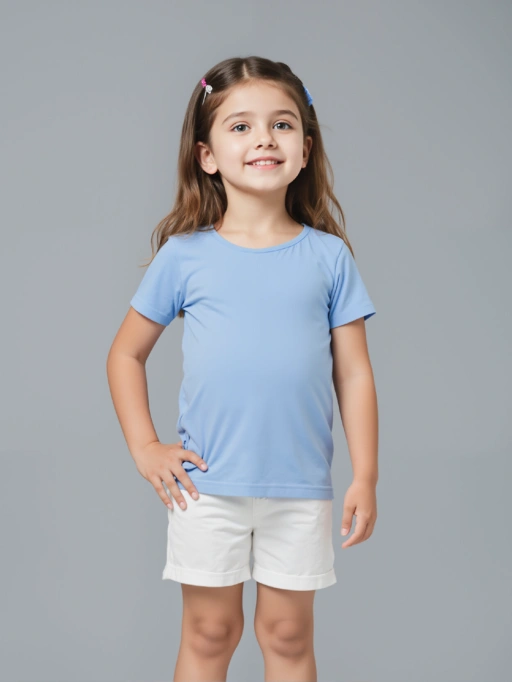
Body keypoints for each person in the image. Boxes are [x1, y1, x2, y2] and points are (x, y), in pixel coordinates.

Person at [107, 55, 379, 682]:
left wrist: (365, 475)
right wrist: (146, 447)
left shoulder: (329, 258)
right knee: (210, 632)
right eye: (240, 126)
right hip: (206, 488)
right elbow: (125, 354)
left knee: (287, 634)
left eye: (282, 124)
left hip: (299, 485)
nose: (264, 139)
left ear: (305, 150)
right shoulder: (184, 257)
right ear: (207, 155)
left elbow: (355, 375)